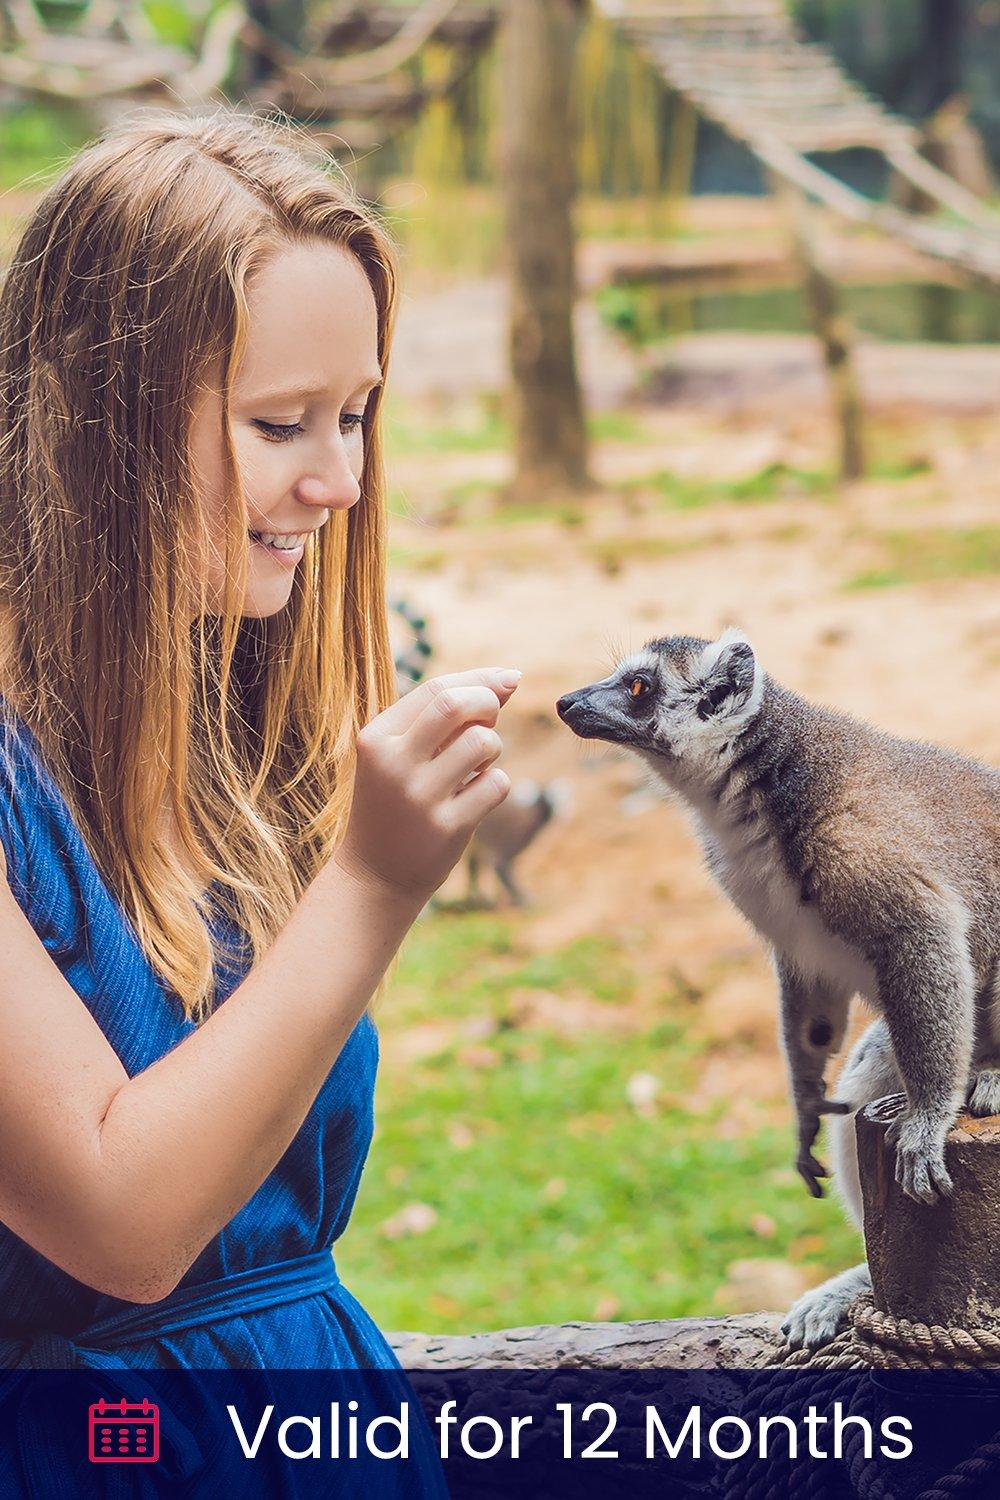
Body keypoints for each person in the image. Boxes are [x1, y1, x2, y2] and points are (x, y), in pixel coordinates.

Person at [0, 101, 517, 1417]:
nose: (339, 480)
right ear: (87, 424)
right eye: (281, 424)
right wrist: (375, 887)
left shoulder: (230, 728)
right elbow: (123, 1223)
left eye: (357, 415)